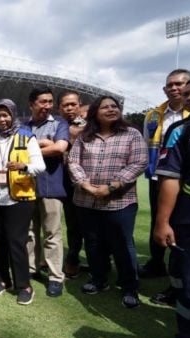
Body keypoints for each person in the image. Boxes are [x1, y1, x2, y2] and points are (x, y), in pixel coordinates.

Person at [68, 96, 147, 308]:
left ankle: (129, 287)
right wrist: (86, 185)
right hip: (86, 200)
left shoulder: (132, 134)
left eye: (114, 106)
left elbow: (139, 162)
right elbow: (73, 162)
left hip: (120, 201)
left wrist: (111, 187)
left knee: (122, 243)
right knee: (93, 243)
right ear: (95, 112)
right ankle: (99, 279)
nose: (111, 109)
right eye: (105, 107)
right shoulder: (85, 136)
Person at [152, 78, 190, 338]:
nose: (188, 97)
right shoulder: (181, 131)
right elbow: (170, 178)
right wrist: (162, 222)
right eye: (185, 94)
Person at [0, 99, 46, 305]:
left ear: (13, 115)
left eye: (6, 115)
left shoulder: (26, 136)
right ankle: (2, 280)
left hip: (19, 198)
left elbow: (40, 166)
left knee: (16, 242)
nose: (2, 119)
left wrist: (23, 166)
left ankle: (24, 285)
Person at [141, 69, 190, 278]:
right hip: (159, 177)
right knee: (158, 220)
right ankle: (156, 263)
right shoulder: (153, 116)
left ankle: (180, 274)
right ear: (164, 89)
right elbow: (147, 144)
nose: (174, 88)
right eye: (170, 85)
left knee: (184, 224)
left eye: (179, 84)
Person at [23, 87, 69, 297]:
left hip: (51, 187)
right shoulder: (22, 128)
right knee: (30, 233)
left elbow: (60, 148)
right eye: (43, 102)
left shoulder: (59, 124)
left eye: (50, 101)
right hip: (26, 187)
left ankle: (55, 277)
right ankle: (31, 270)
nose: (47, 106)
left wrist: (29, 153)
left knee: (52, 234)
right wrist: (44, 146)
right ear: (32, 104)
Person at [58, 91, 87, 278]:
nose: (69, 108)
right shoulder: (57, 126)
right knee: (70, 222)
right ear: (59, 108)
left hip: (86, 181)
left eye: (73, 104)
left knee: (87, 223)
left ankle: (96, 261)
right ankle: (70, 258)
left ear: (79, 105)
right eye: (65, 105)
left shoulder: (89, 126)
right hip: (62, 180)